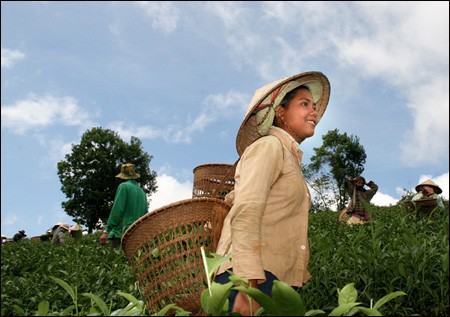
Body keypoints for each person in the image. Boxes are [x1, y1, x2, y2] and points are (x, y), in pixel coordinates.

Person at [214, 71, 331, 315]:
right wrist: (248, 284)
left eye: (314, 106)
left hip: (272, 281)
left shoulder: (289, 157)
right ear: (280, 111)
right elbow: (247, 208)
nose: (314, 113)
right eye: (304, 104)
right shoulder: (269, 146)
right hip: (250, 278)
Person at [99, 163, 148, 248]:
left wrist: (106, 230)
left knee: (117, 260)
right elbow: (145, 214)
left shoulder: (124, 186)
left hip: (121, 233)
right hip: (137, 235)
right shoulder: (142, 192)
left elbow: (117, 210)